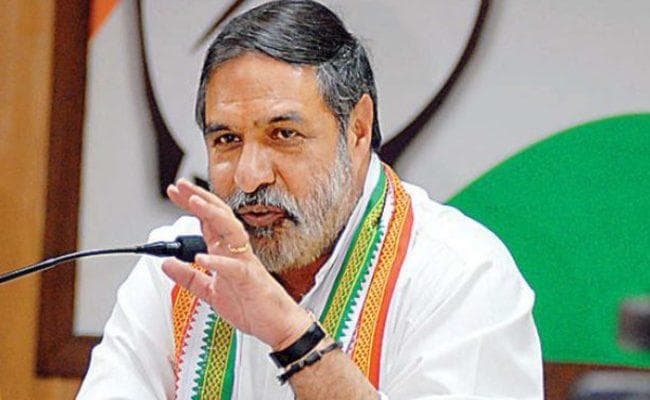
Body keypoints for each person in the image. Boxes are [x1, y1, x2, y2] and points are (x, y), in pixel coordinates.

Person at [77, 1, 543, 398]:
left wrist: (290, 335)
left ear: (358, 129)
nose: (250, 176)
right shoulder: (178, 268)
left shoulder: (461, 276)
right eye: (226, 140)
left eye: (284, 134)